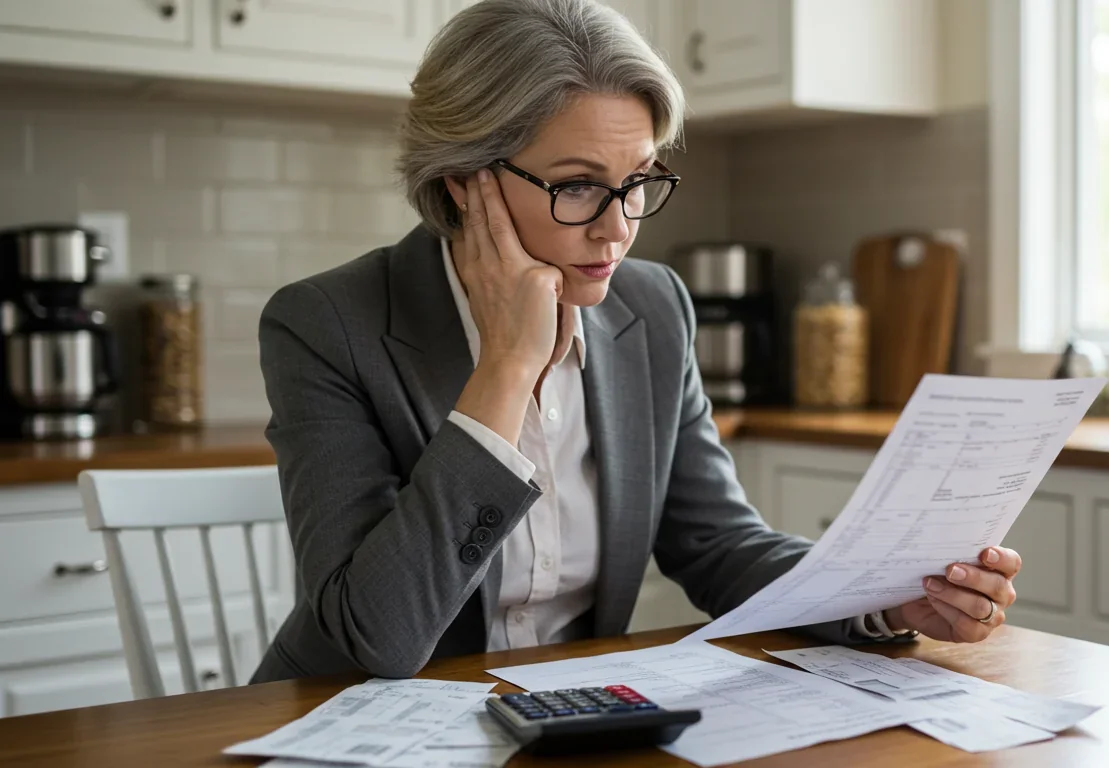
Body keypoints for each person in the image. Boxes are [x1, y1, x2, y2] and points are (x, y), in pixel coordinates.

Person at [249, 0, 1022, 683]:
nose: (618, 229)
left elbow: (717, 543)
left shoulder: (652, 308)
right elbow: (377, 637)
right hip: (340, 725)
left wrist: (885, 598)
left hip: (563, 720)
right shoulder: (326, 324)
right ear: (464, 180)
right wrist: (506, 370)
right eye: (578, 185)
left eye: (639, 180)